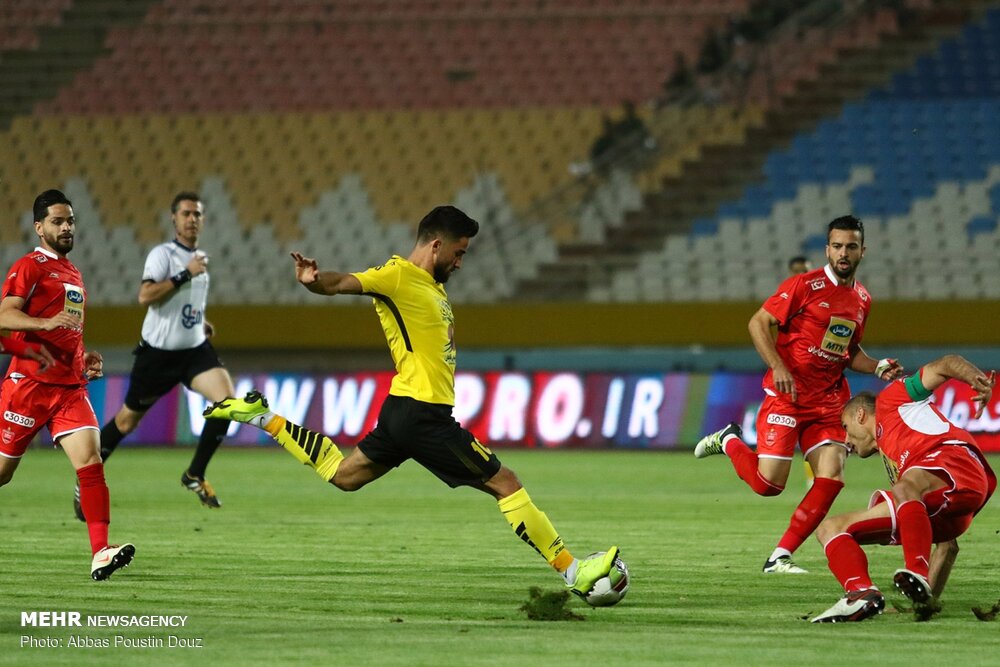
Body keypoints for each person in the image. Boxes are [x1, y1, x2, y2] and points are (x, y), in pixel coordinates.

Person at [202, 205, 621, 597]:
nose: (460, 262)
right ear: (436, 245)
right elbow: (346, 283)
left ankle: (264, 417)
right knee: (505, 482)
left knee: (344, 476)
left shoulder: (433, 287)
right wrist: (315, 281)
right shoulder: (397, 276)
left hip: (404, 411)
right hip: (423, 415)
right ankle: (574, 572)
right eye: (458, 253)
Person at [694, 215, 903, 574]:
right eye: (837, 246)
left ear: (862, 252)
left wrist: (878, 366)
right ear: (827, 249)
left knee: (832, 477)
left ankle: (780, 556)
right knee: (767, 486)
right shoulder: (804, 286)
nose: (843, 252)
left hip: (830, 402)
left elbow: (850, 351)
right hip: (788, 396)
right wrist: (777, 365)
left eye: (851, 246)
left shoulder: (862, 299)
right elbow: (758, 322)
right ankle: (729, 441)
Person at [73, 191, 235, 520]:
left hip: (193, 352)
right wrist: (184, 274)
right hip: (157, 356)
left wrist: (199, 322)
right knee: (125, 421)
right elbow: (145, 295)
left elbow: (183, 303)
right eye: (186, 213)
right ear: (174, 219)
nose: (192, 219)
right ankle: (84, 479)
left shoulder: (200, 258)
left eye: (197, 214)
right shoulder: (163, 255)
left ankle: (194, 474)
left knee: (229, 402)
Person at [0, 189, 135, 580]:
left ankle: (100, 552)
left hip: (68, 388)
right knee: (4, 473)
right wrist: (42, 324)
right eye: (58, 222)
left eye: (70, 221)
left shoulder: (72, 272)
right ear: (39, 227)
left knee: (91, 462)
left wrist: (83, 356)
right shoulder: (30, 266)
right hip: (27, 386)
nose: (66, 228)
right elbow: (6, 315)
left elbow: (66, 328)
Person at [810, 355, 996, 622]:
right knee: (831, 529)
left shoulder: (893, 399)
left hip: (957, 464)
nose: (847, 440)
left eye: (846, 428)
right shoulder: (897, 464)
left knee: (905, 488)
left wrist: (976, 381)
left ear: (860, 414)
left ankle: (915, 570)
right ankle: (861, 592)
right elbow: (947, 547)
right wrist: (926, 600)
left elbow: (945, 364)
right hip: (951, 510)